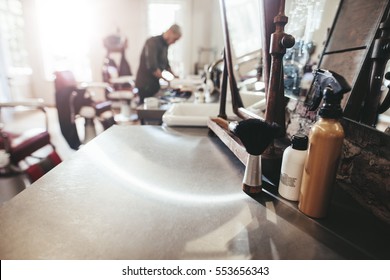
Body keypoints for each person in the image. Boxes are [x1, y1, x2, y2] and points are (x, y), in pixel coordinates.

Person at [135, 24, 182, 103]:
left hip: (155, 84)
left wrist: (175, 77)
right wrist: (167, 81)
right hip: (145, 84)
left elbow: (166, 64)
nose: (174, 42)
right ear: (170, 32)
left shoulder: (165, 45)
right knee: (145, 109)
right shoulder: (152, 42)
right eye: (175, 39)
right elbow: (153, 67)